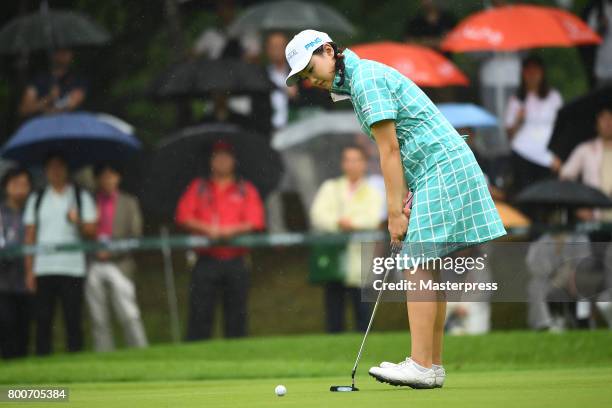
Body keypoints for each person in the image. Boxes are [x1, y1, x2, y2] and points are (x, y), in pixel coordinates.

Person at [285, 30, 506, 388]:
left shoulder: (366, 80)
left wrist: (393, 214)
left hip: (441, 167)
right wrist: (406, 194)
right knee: (428, 264)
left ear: (329, 51)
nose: (312, 80)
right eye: (306, 77)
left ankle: (420, 364)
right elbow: (399, 148)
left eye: (311, 69)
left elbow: (388, 152)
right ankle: (432, 366)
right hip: (436, 169)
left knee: (415, 262)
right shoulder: (359, 82)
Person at [175, 141, 265, 340]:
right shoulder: (199, 187)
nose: (222, 161)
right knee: (200, 313)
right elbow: (183, 216)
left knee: (236, 315)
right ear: (210, 161)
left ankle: (237, 359)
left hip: (236, 259)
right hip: (205, 260)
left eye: (226, 157)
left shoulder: (245, 189)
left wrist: (230, 231)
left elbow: (255, 221)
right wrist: (208, 229)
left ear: (234, 161)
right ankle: (198, 358)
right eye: (217, 156)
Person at [23, 154, 97, 355]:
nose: (56, 171)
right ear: (46, 171)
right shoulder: (37, 198)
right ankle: (43, 360)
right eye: (52, 167)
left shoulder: (81, 197)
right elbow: (30, 236)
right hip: (44, 268)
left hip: (72, 268)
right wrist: (29, 271)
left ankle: (76, 357)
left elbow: (92, 232)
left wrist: (77, 221)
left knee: (73, 318)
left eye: (60, 167)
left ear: (66, 170)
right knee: (43, 319)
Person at [310, 145, 384, 333]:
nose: (351, 164)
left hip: (361, 258)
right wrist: (337, 222)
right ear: (343, 164)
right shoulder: (330, 187)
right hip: (334, 256)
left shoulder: (373, 192)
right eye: (347, 160)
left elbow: (373, 218)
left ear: (364, 164)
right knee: (334, 306)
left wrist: (352, 223)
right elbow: (317, 214)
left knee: (362, 308)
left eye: (356, 160)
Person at [86, 163, 148, 352]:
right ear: (97, 180)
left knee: (129, 313)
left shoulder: (129, 202)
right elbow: (84, 233)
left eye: (111, 175)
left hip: (120, 264)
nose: (108, 180)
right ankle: (104, 354)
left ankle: (140, 351)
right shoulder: (90, 202)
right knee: (99, 316)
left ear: (118, 178)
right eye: (103, 176)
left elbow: (135, 235)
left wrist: (112, 251)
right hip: (94, 263)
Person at [504, 55, 563, 198]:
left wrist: (559, 155)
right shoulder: (517, 99)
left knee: (548, 196)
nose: (532, 77)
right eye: (528, 73)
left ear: (542, 73)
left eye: (535, 72)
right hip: (523, 154)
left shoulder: (553, 97)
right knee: (526, 196)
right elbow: (509, 134)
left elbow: (562, 127)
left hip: (547, 155)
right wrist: (519, 119)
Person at [0, 168, 32, 359]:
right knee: (6, 324)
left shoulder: (33, 210)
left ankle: (23, 378)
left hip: (26, 282)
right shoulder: (1, 214)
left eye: (24, 184)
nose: (20, 188)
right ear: (6, 187)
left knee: (24, 328)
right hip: (3, 283)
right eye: (15, 184)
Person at [560, 107, 612, 221]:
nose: (608, 122)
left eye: (611, 117)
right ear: (596, 123)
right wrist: (578, 207)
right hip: (596, 220)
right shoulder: (585, 149)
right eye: (603, 118)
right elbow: (565, 178)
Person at [19, 49, 87, 119]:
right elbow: (24, 110)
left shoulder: (78, 80)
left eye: (66, 51)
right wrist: (48, 98)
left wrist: (48, 110)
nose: (62, 55)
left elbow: (71, 106)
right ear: (52, 54)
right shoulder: (39, 79)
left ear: (71, 55)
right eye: (59, 51)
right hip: (42, 127)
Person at [265, 32, 298, 130]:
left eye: (280, 46)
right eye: (273, 46)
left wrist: (297, 94)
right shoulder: (261, 74)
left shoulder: (297, 73)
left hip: (293, 128)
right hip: (268, 129)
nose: (276, 50)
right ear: (267, 49)